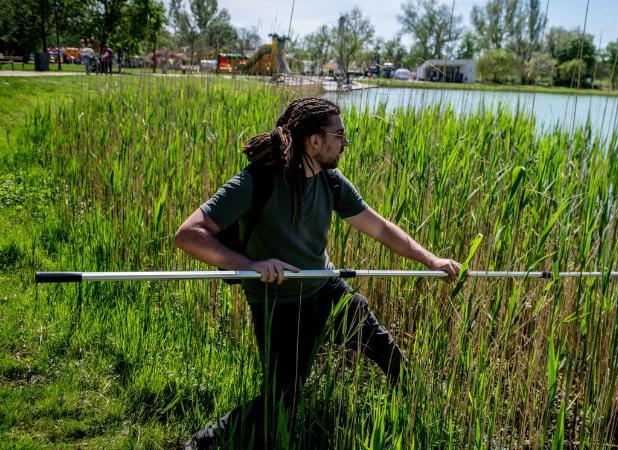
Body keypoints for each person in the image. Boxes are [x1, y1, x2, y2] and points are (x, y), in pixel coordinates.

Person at [175, 97, 460, 448]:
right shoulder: (255, 182)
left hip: (327, 290)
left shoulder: (332, 181)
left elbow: (382, 229)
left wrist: (431, 260)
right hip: (279, 305)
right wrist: (250, 265)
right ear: (314, 141)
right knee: (282, 403)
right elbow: (188, 234)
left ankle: (420, 424)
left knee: (387, 352)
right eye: (339, 134)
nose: (345, 142)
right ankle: (202, 443)